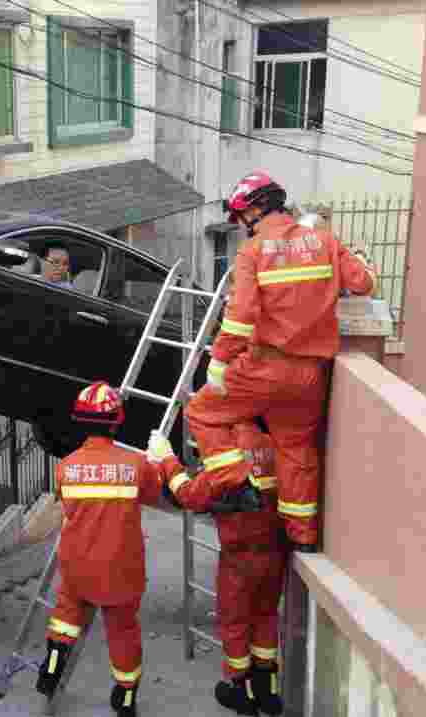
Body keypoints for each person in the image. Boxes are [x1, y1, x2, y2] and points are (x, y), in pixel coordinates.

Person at [184, 170, 376, 551]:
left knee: (202, 413)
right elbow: (364, 284)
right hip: (310, 374)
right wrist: (363, 262)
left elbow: (240, 318)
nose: (240, 226)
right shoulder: (324, 241)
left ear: (254, 210)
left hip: (263, 366)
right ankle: (302, 536)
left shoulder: (252, 253)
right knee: (297, 449)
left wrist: (219, 363)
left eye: (241, 218)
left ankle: (236, 485)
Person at [36, 381, 180, 717]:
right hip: (122, 570)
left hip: (77, 566)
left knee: (66, 617)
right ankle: (126, 699)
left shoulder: (65, 467)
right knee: (123, 632)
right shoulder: (136, 467)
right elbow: (153, 493)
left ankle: (52, 666)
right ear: (117, 422)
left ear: (79, 421)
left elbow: (66, 501)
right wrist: (161, 458)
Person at [149, 421, 287, 716]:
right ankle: (269, 689)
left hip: (238, 557)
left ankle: (242, 692)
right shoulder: (273, 443)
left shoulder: (225, 455)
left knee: (235, 623)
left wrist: (166, 458)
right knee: (265, 615)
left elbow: (188, 495)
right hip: (274, 550)